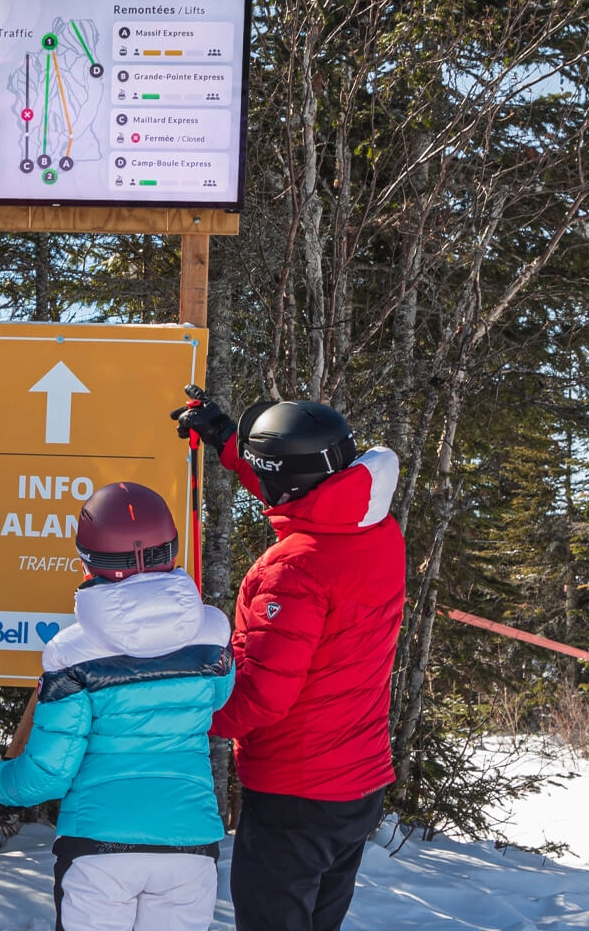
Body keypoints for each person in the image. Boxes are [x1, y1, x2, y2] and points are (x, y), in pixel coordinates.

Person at [171, 389, 407, 931]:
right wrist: (230, 443)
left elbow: (261, 696)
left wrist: (181, 711)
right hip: (357, 781)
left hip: (296, 792)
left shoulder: (294, 571)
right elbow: (309, 495)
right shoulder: (376, 528)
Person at [0, 482, 233, 931]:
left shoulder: (72, 653)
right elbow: (219, 698)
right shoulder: (212, 634)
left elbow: (51, 771)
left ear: (87, 560)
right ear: (171, 548)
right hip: (190, 846)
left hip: (99, 848)